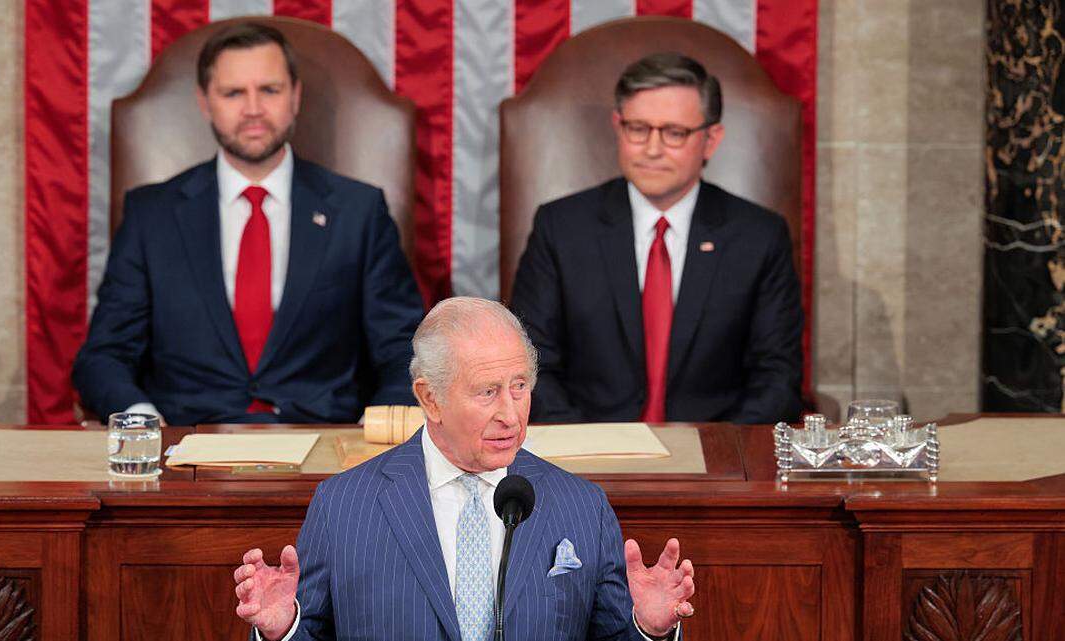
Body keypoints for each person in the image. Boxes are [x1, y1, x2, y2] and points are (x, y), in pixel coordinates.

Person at [233, 297, 696, 640]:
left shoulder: (582, 506)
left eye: (519, 386)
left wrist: (649, 629)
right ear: (430, 398)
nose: (510, 414)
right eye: (487, 392)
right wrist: (282, 630)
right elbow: (309, 632)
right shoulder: (344, 506)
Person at [73, 22, 424, 425]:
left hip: (323, 441)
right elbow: (105, 355)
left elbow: (403, 348)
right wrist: (143, 423)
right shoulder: (151, 215)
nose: (253, 109)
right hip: (186, 442)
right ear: (205, 102)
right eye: (233, 93)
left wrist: (379, 425)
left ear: (295, 96)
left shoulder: (358, 212)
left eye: (269, 90)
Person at [510, 52, 803, 425]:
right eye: (638, 128)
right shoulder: (561, 227)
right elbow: (531, 364)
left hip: (715, 448)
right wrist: (590, 448)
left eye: (674, 133)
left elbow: (777, 378)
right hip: (588, 445)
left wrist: (719, 450)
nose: (651, 149)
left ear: (711, 139)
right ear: (618, 127)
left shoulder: (759, 236)